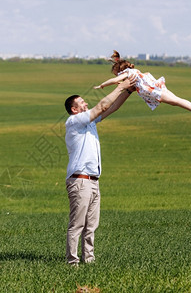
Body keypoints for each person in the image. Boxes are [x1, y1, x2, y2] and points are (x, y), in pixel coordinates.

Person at [64, 75, 137, 266]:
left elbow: (112, 107)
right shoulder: (73, 122)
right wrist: (121, 86)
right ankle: (72, 262)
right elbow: (102, 106)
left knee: (91, 225)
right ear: (74, 109)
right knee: (77, 224)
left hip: (93, 180)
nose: (86, 103)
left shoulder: (89, 122)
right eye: (82, 102)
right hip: (80, 180)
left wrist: (129, 91)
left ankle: (89, 260)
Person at [94, 50, 191, 125]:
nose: (118, 77)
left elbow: (115, 81)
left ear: (120, 70)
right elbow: (121, 83)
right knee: (175, 100)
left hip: (154, 91)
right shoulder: (134, 72)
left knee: (175, 100)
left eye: (116, 74)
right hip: (157, 87)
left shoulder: (128, 73)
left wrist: (103, 85)